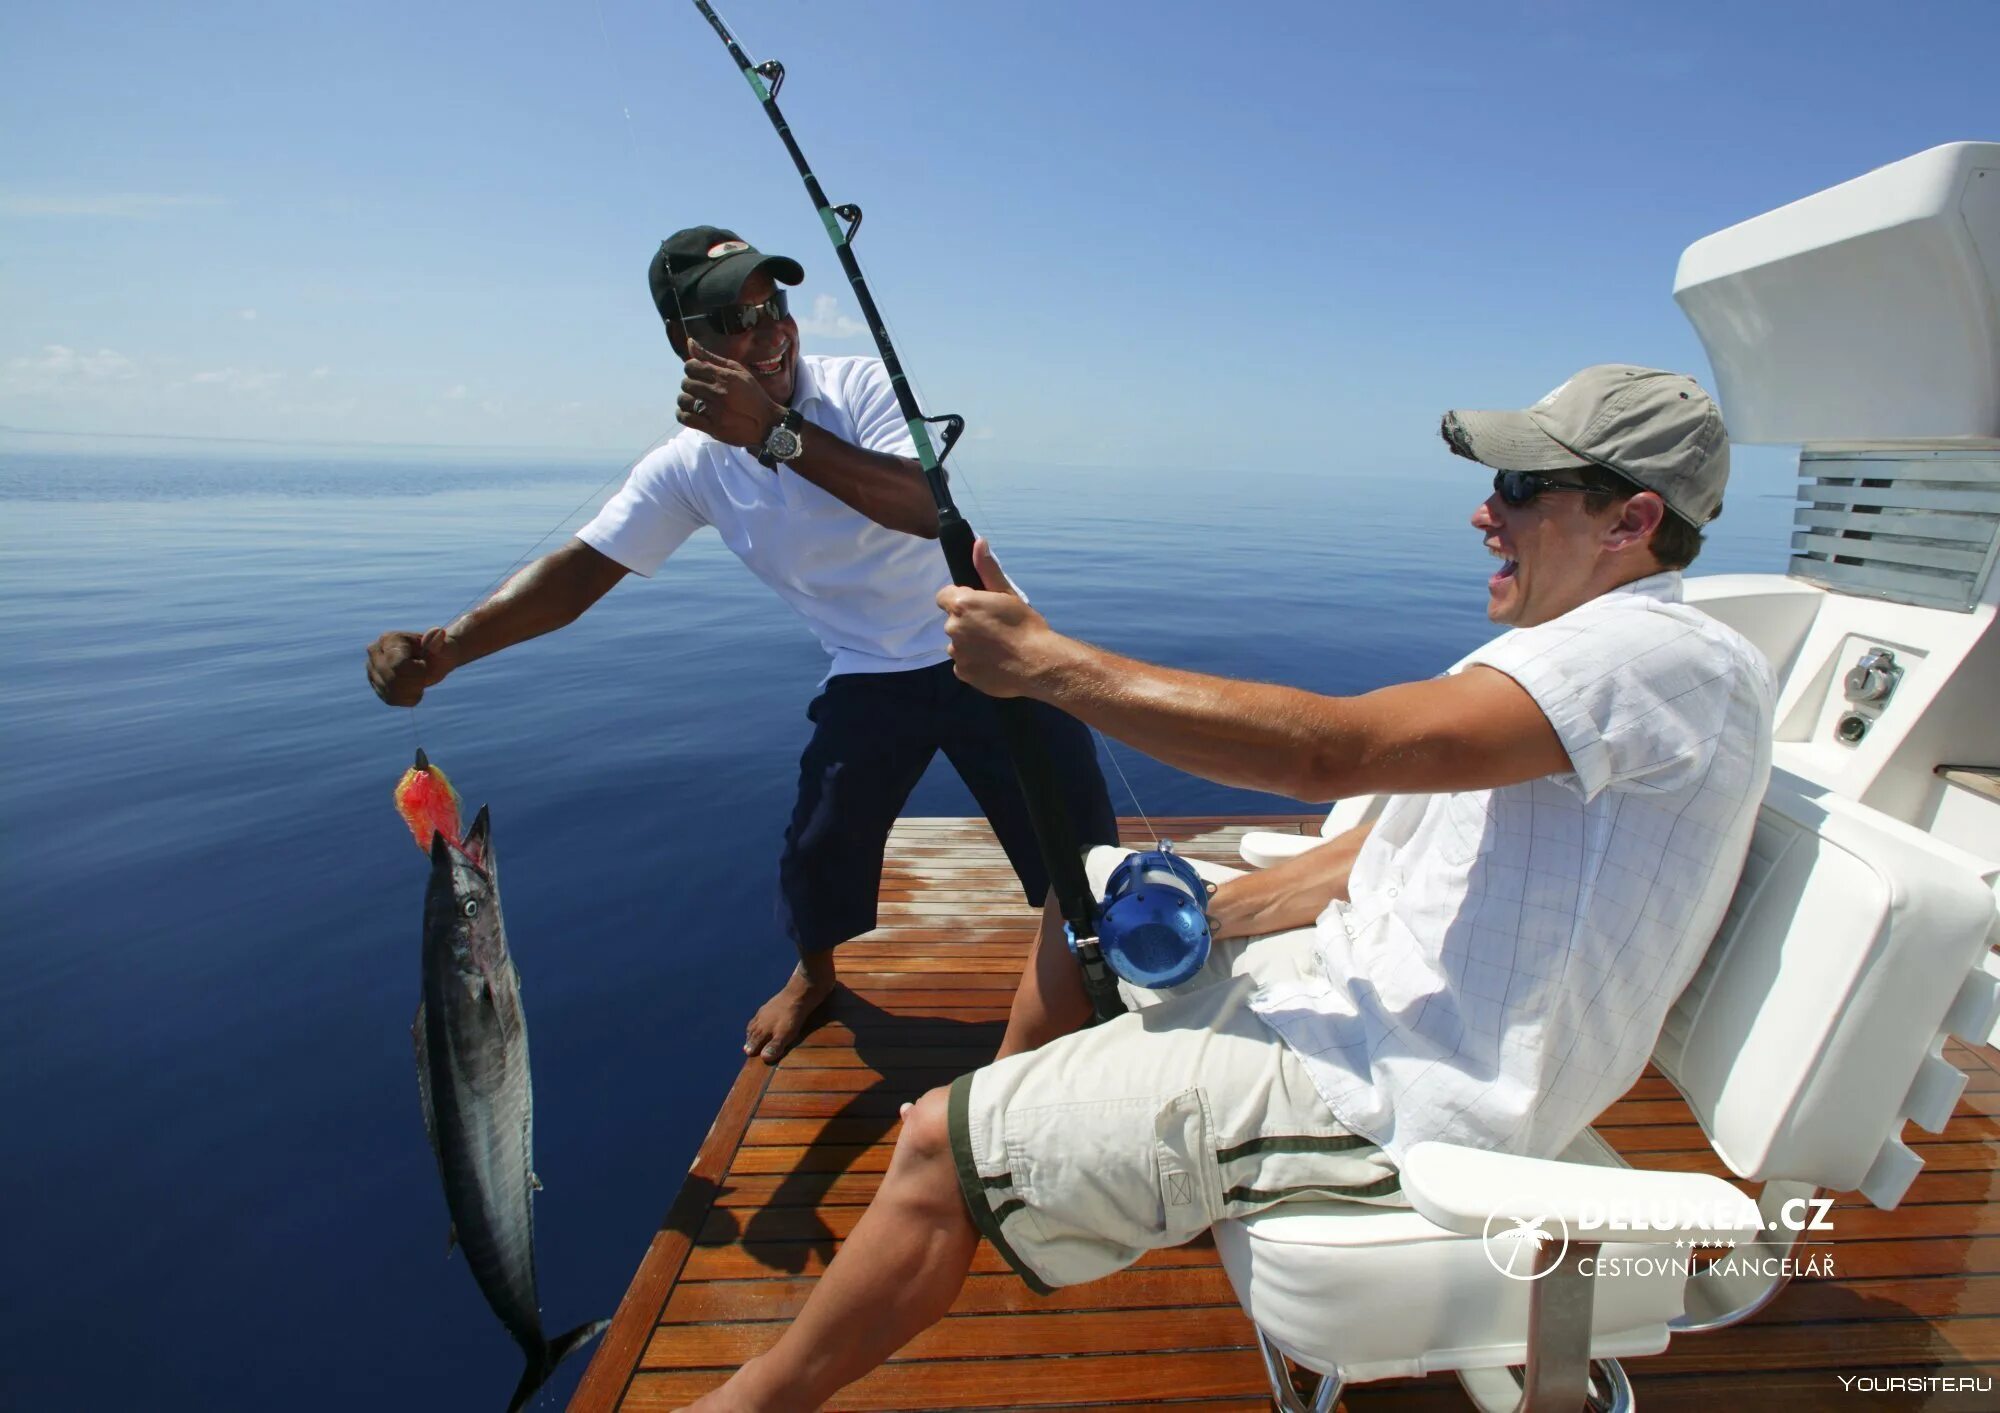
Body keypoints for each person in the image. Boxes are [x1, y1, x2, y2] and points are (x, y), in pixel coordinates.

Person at [677, 365, 1777, 1411]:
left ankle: (818, 1324)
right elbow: (1380, 851)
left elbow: (1331, 758)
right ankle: (1017, 1142)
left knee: (928, 1140)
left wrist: (1051, 664)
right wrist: (1207, 912)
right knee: (1088, 899)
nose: (1484, 515)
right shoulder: (1577, 654)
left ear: (1630, 521)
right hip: (1356, 997)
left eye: (1519, 489)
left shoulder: (1643, 655)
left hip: (1413, 1096)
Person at [365, 225, 1116, 1062]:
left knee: (1078, 848)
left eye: (775, 305)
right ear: (684, 342)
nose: (768, 331)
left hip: (985, 636)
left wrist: (774, 432)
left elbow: (923, 506)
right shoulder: (687, 467)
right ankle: (816, 971)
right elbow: (579, 573)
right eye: (735, 317)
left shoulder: (858, 387)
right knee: (817, 845)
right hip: (870, 668)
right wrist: (449, 649)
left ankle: (1109, 963)